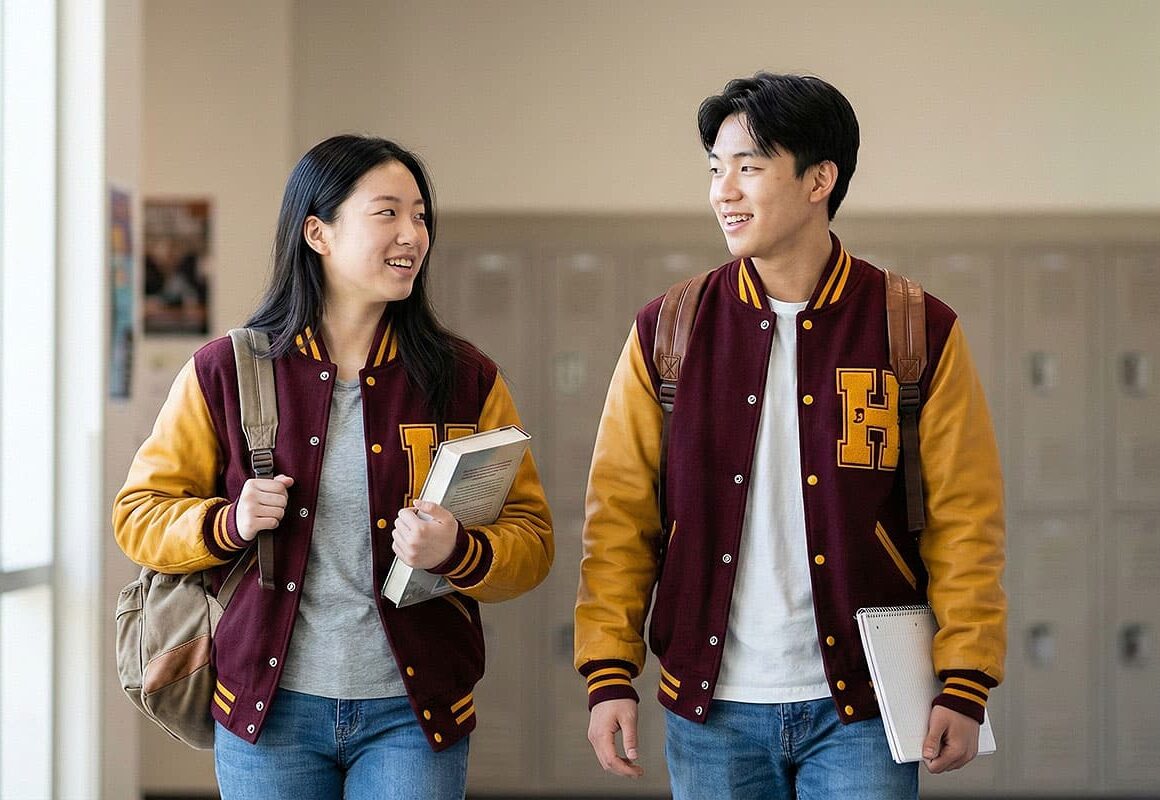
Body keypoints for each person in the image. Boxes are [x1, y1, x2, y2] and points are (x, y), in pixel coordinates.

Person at [574, 72, 1005, 799]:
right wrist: (608, 671)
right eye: (715, 169)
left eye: (748, 167)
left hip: (863, 709)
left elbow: (966, 519)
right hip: (711, 710)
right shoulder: (668, 331)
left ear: (819, 179)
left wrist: (965, 679)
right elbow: (619, 516)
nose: (723, 191)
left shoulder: (915, 329)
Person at [114, 135, 554, 800]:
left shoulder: (467, 380)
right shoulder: (225, 372)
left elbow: (533, 540)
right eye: (388, 213)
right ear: (318, 233)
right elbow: (139, 516)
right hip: (269, 712)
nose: (412, 233)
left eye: (421, 215)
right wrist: (227, 522)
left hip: (413, 713)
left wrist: (458, 549)